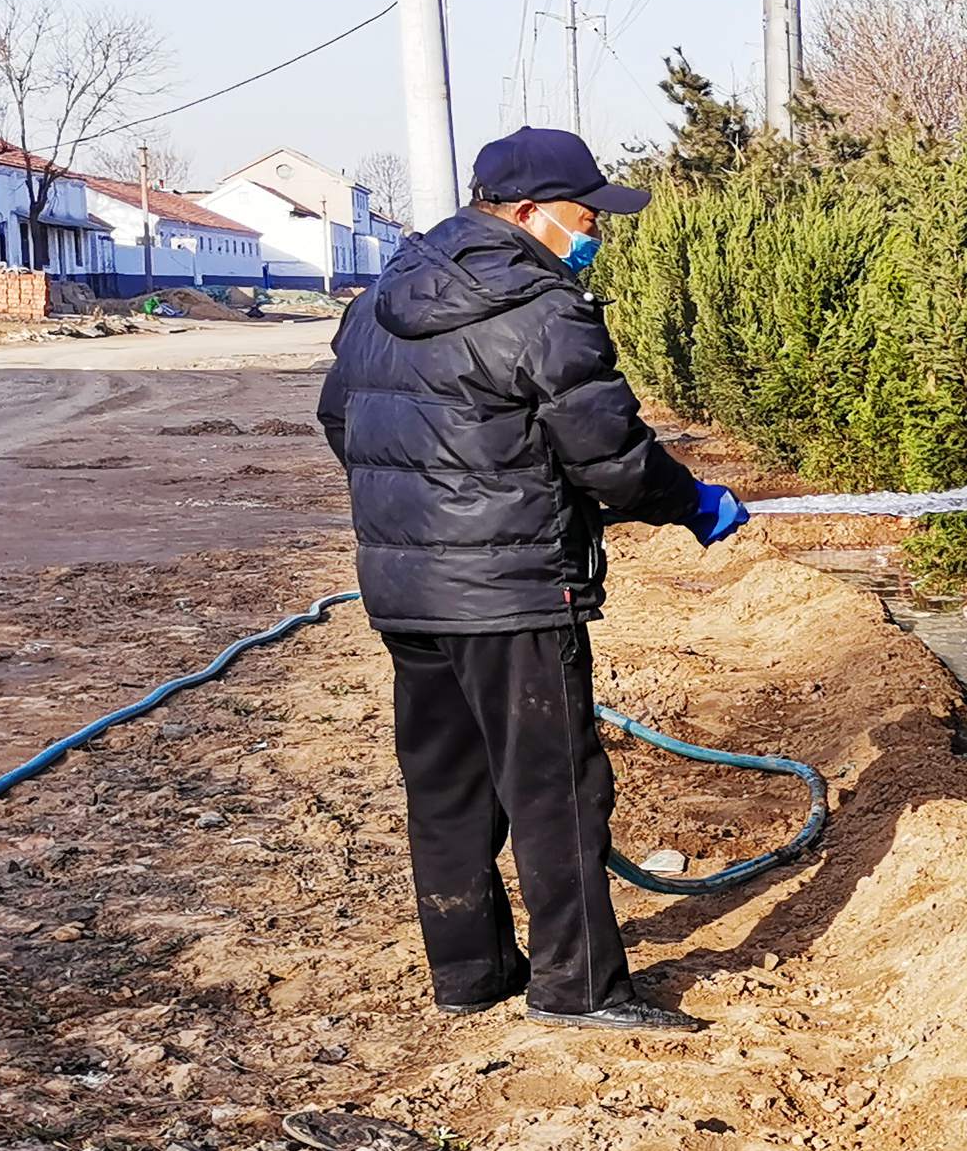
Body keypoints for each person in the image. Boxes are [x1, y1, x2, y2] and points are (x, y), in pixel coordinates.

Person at [316, 126, 745, 1032]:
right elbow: (614, 462)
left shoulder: (380, 297)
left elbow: (339, 422)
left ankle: (468, 972)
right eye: (585, 216)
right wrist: (694, 503)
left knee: (445, 782)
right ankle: (580, 987)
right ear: (524, 214)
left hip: (406, 590)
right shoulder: (546, 312)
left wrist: (422, 512)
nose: (595, 233)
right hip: (512, 592)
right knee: (555, 788)